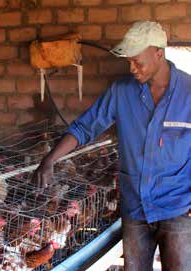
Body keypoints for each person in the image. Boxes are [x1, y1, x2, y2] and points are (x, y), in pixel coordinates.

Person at [33, 21, 190, 271]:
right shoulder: (121, 91)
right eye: (129, 61)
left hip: (178, 209)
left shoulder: (189, 92)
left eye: (137, 61)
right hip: (135, 208)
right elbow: (85, 128)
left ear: (159, 53)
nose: (132, 68)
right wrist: (50, 160)